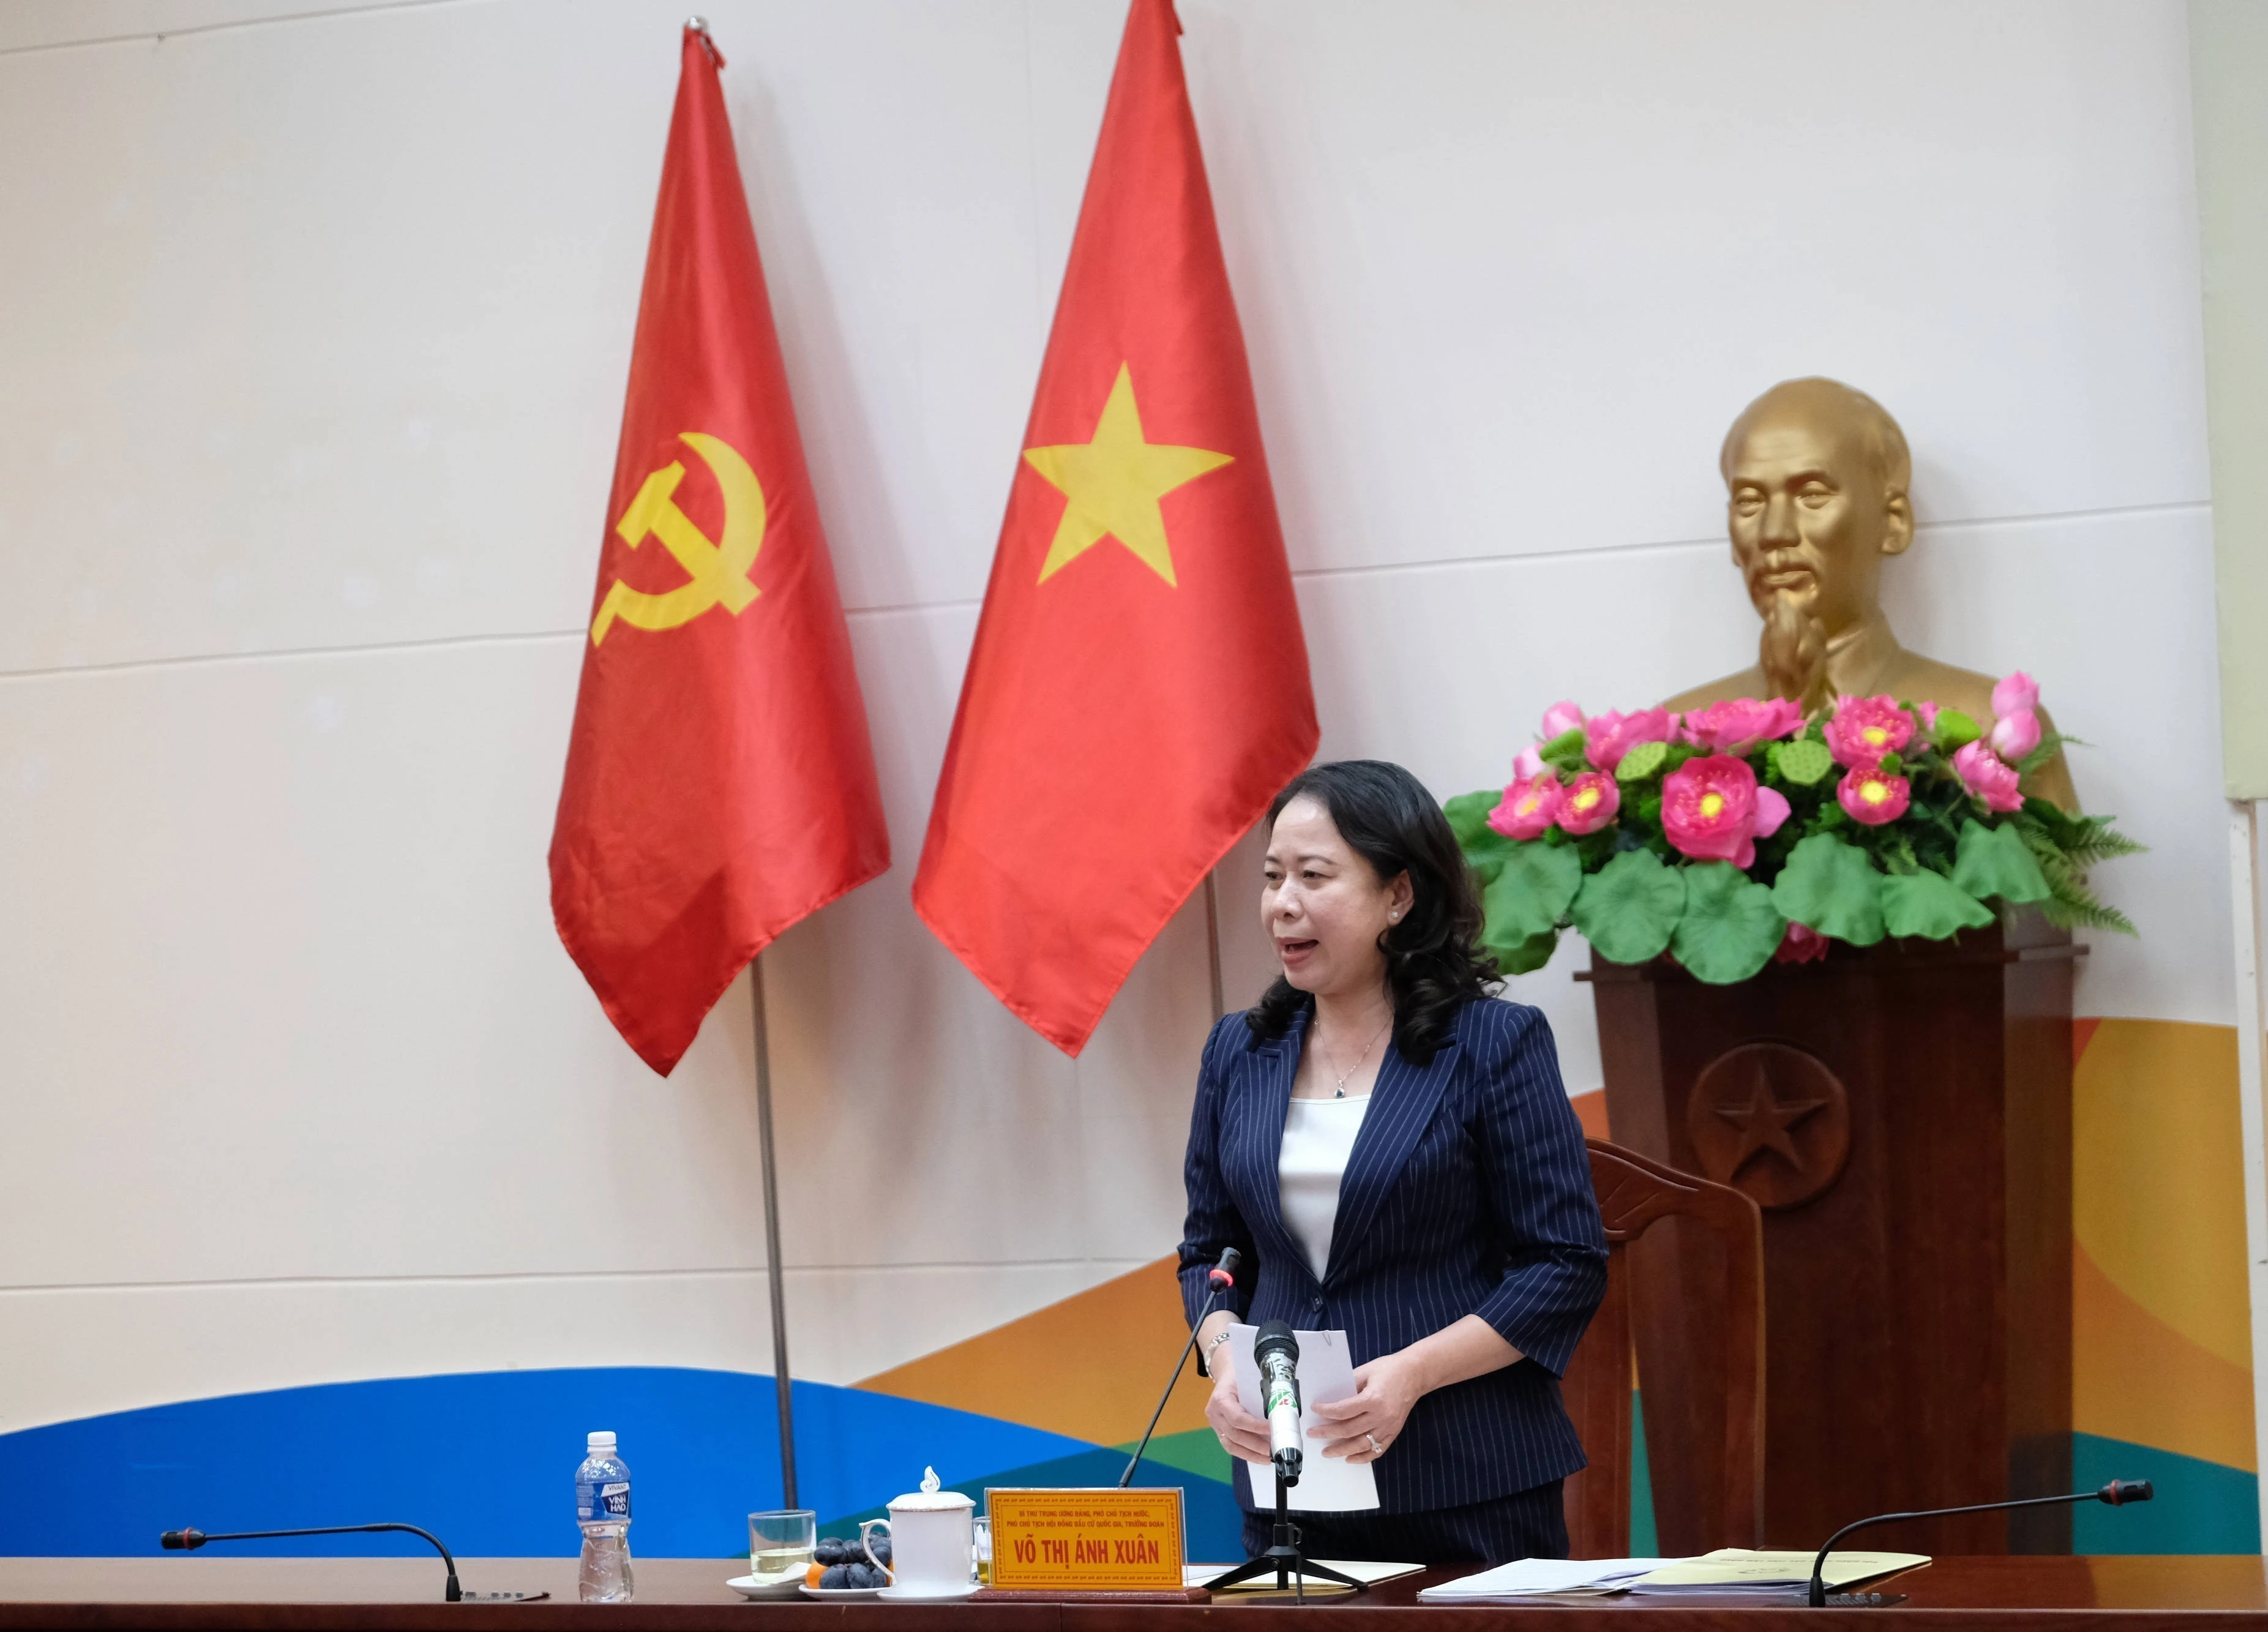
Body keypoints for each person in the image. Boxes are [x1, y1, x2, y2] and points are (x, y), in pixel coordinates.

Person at [1177, 759, 1608, 1565]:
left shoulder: (1492, 1044)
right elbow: (1210, 1252)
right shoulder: (1239, 1051)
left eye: (1314, 875)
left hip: (1466, 1483)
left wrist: (1411, 1372)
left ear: (1399, 895)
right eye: (1272, 877)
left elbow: (1564, 1262)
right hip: (1290, 1486)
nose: (1283, 903)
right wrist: (1225, 1357)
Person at [1664, 375, 2075, 809]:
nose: (1773, 533)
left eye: (1811, 495)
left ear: (1892, 522)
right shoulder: (1675, 740)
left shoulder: (1990, 730)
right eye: (1749, 501)